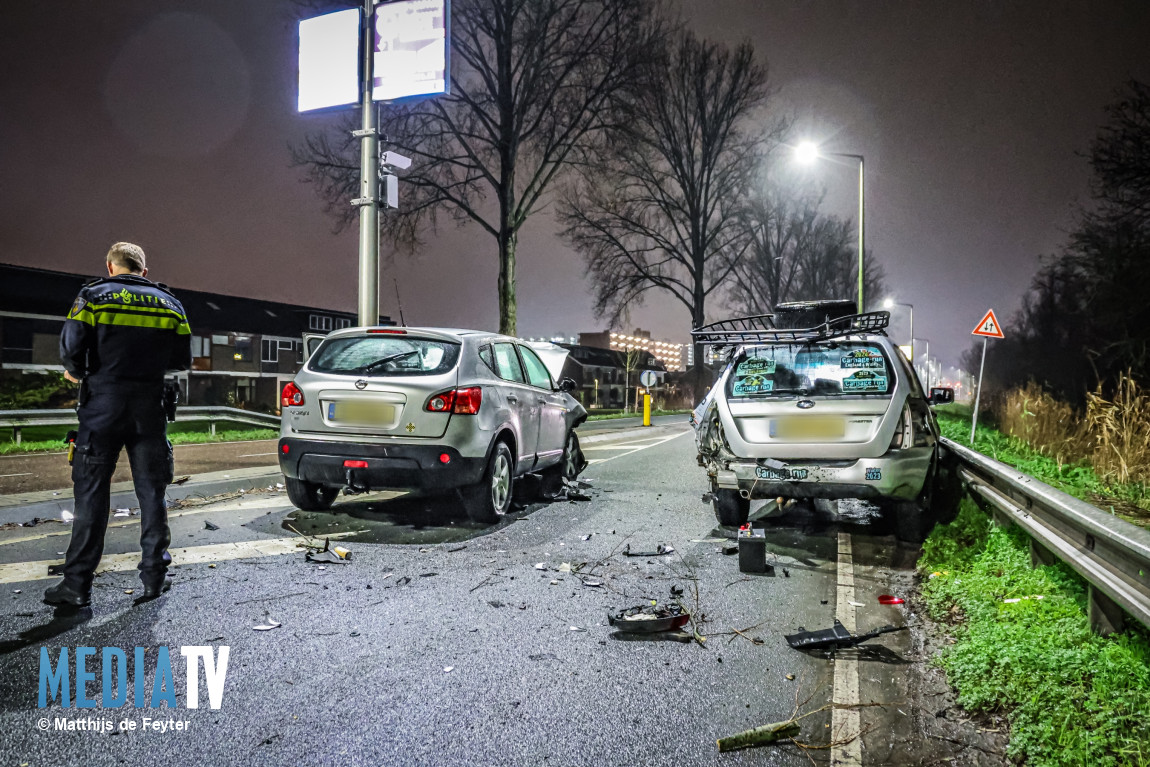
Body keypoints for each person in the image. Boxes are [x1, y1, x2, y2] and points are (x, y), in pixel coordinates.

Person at [44, 242, 192, 607]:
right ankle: (154, 577)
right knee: (152, 493)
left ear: (111, 267)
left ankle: (76, 585)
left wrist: (79, 372)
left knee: (91, 495)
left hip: (102, 408)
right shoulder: (170, 304)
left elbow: (71, 350)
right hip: (149, 409)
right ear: (144, 270)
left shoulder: (92, 297)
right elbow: (182, 360)